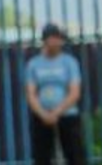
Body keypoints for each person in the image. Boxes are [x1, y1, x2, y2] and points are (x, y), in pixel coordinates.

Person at [26, 23, 88, 165]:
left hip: (67, 115)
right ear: (46, 39)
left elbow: (74, 92)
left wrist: (56, 112)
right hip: (41, 117)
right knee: (42, 156)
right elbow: (30, 94)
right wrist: (43, 114)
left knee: (75, 155)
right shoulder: (34, 64)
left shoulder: (69, 62)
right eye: (55, 38)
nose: (59, 42)